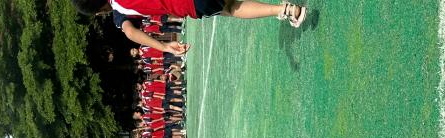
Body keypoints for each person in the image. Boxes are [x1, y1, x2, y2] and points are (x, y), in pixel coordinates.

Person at [72, 0, 313, 54]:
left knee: (231, 7)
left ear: (99, 10)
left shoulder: (120, 12)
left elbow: (130, 32)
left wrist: (164, 47)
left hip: (192, 4)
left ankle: (287, 10)